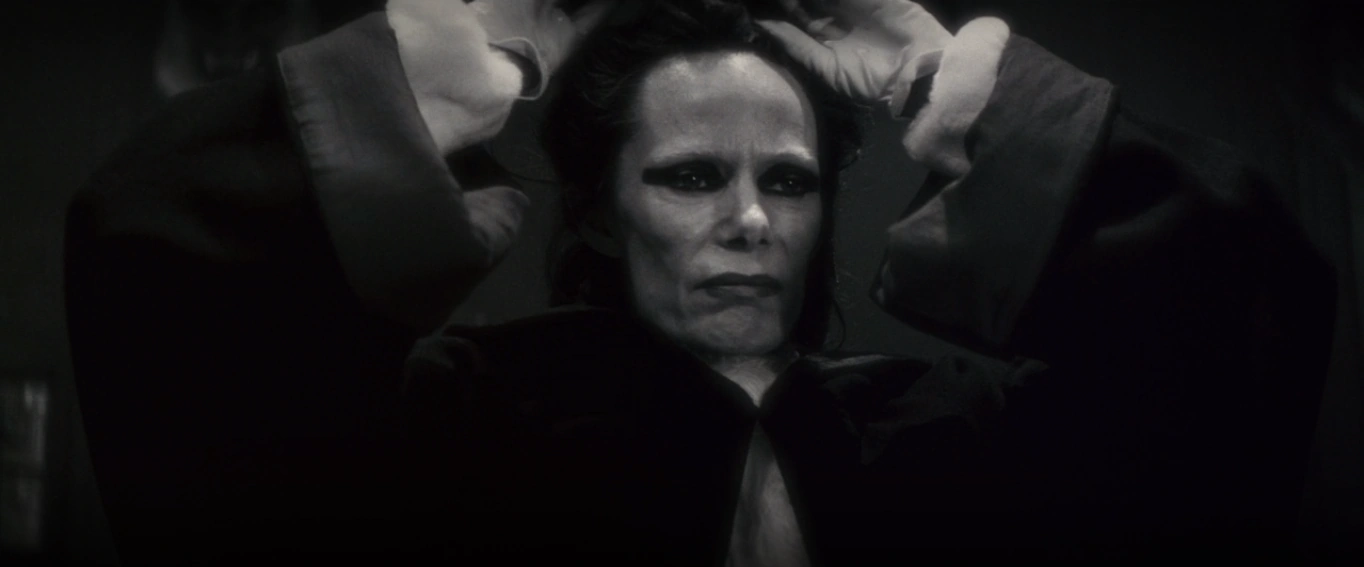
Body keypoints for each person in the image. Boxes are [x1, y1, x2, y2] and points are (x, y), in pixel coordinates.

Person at [64, 0, 1335, 564]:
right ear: (601, 214)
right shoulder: (459, 424)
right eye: (687, 178)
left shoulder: (948, 429)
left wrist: (942, 88)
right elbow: (161, 282)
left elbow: (1240, 317)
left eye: (787, 180)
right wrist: (422, 82)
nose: (748, 219)